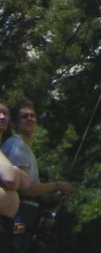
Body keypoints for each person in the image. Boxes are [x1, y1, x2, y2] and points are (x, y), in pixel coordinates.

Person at [2, 101, 73, 253]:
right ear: (14, 123)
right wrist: (57, 185)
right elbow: (25, 190)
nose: (29, 119)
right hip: (19, 215)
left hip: (25, 215)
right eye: (24, 116)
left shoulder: (24, 147)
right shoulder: (17, 146)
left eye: (32, 116)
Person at [0, 101, 29, 253]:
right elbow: (10, 178)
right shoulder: (14, 146)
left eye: (5, 113)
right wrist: (15, 171)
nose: (2, 117)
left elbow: (26, 181)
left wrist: (15, 171)